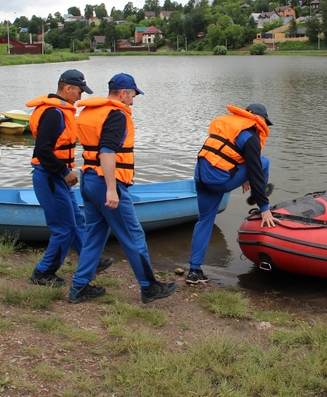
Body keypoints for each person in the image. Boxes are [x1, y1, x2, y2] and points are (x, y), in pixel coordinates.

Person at [69, 73, 179, 304]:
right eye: (132, 95)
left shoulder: (90, 111)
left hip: (88, 178)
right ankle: (149, 287)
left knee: (94, 236)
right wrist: (111, 189)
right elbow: (107, 151)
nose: (132, 101)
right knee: (133, 235)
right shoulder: (116, 114)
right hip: (106, 182)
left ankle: (79, 287)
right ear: (122, 93)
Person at [28, 69, 113, 287]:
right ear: (67, 88)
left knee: (76, 221)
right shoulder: (53, 113)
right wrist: (64, 171)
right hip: (49, 177)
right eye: (79, 91)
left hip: (56, 177)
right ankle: (43, 272)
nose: (80, 96)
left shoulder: (61, 111)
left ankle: (90, 261)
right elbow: (42, 151)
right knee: (64, 228)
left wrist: (63, 172)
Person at [186, 103, 279, 284]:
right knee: (264, 162)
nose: (263, 125)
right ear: (257, 118)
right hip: (220, 181)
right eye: (264, 121)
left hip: (201, 178)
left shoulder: (228, 126)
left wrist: (243, 177)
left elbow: (227, 155)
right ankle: (259, 196)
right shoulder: (251, 136)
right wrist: (264, 208)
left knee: (204, 221)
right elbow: (256, 169)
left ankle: (194, 271)